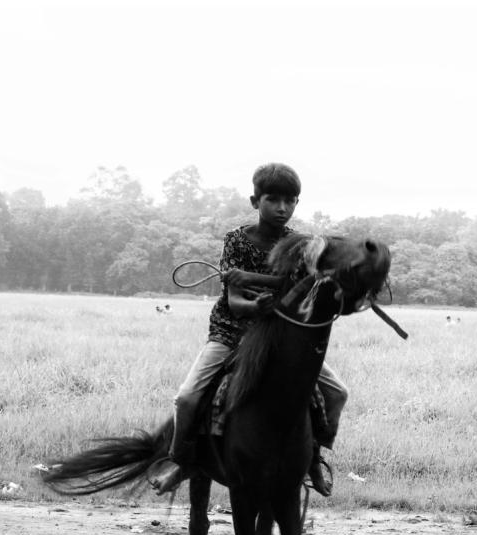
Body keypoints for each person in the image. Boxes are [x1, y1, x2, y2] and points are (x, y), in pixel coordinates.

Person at [149, 162, 347, 496]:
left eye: (290, 200)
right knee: (186, 398)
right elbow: (234, 299)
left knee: (337, 392)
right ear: (255, 201)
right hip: (232, 332)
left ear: (297, 203)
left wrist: (262, 284)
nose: (282, 207)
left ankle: (314, 456)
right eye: (273, 199)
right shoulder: (237, 242)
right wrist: (254, 306)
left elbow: (303, 285)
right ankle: (181, 459)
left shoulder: (301, 245)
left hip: (283, 338)